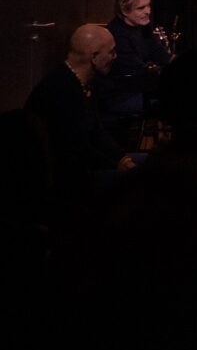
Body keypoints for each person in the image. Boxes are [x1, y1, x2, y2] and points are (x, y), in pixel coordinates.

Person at [25, 24, 136, 214]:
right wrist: (118, 165)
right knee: (144, 182)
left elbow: (96, 132)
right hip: (68, 182)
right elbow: (76, 149)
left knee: (149, 164)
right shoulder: (61, 91)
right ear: (94, 57)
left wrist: (122, 157)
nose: (115, 57)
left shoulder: (79, 83)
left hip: (82, 169)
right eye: (111, 52)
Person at [93, 0, 172, 150]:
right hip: (120, 96)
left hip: (138, 89)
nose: (148, 11)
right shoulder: (117, 36)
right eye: (141, 8)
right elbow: (138, 76)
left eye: (148, 5)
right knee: (179, 103)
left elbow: (162, 56)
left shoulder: (141, 28)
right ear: (124, 10)